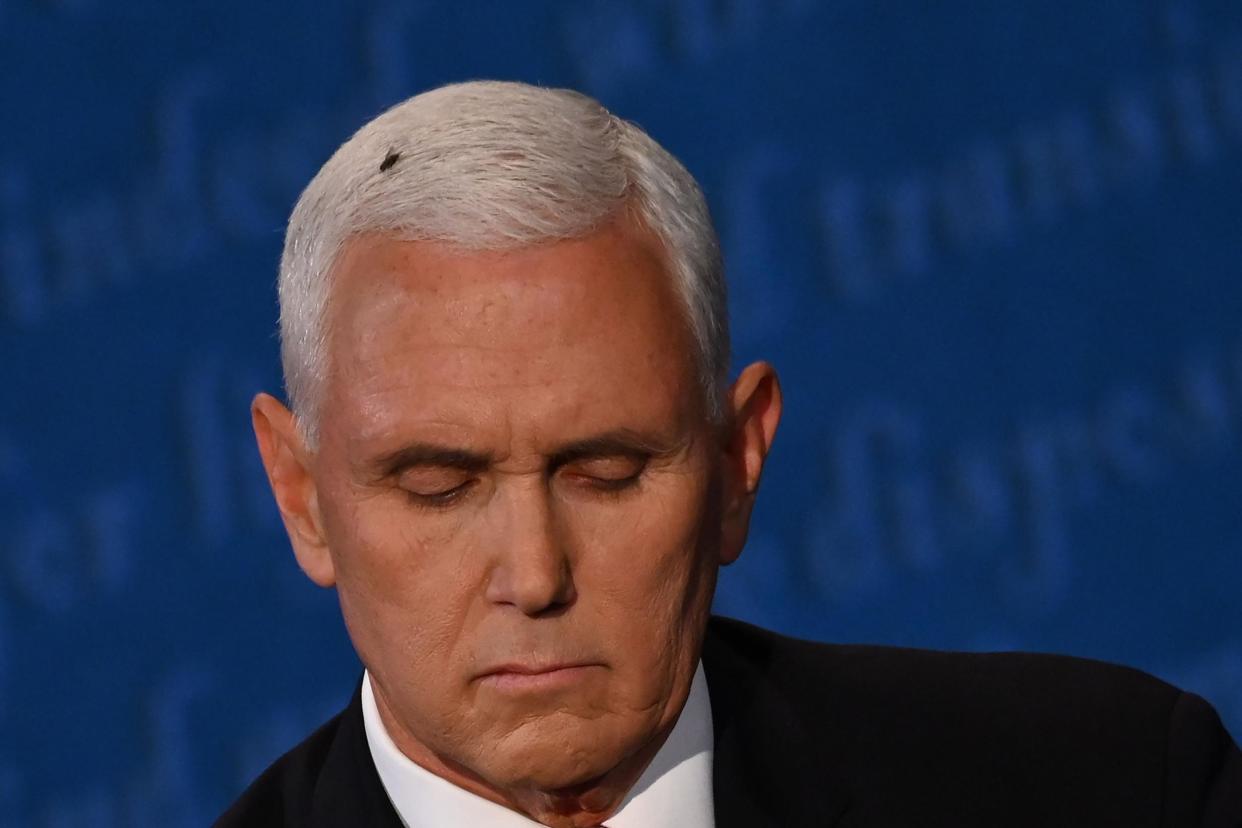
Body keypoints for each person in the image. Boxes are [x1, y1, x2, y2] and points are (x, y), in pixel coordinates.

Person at [216, 80, 1241, 827]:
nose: (535, 577)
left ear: (738, 460)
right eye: (440, 487)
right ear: (302, 496)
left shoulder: (1108, 790)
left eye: (606, 472)